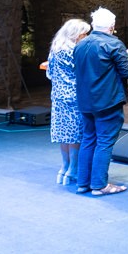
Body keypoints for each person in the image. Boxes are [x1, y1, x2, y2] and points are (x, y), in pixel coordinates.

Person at [74, 7, 128, 197]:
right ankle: (99, 185)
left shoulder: (80, 44)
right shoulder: (113, 43)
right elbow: (127, 73)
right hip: (107, 101)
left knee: (88, 140)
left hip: (85, 102)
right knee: (104, 142)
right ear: (112, 26)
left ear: (94, 25)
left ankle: (83, 183)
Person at [45, 18, 91, 185]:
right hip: (74, 97)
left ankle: (64, 169)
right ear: (75, 35)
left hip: (58, 97)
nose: (86, 37)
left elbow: (49, 74)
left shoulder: (55, 49)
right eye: (84, 34)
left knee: (64, 135)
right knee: (75, 136)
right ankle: (74, 170)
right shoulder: (75, 51)